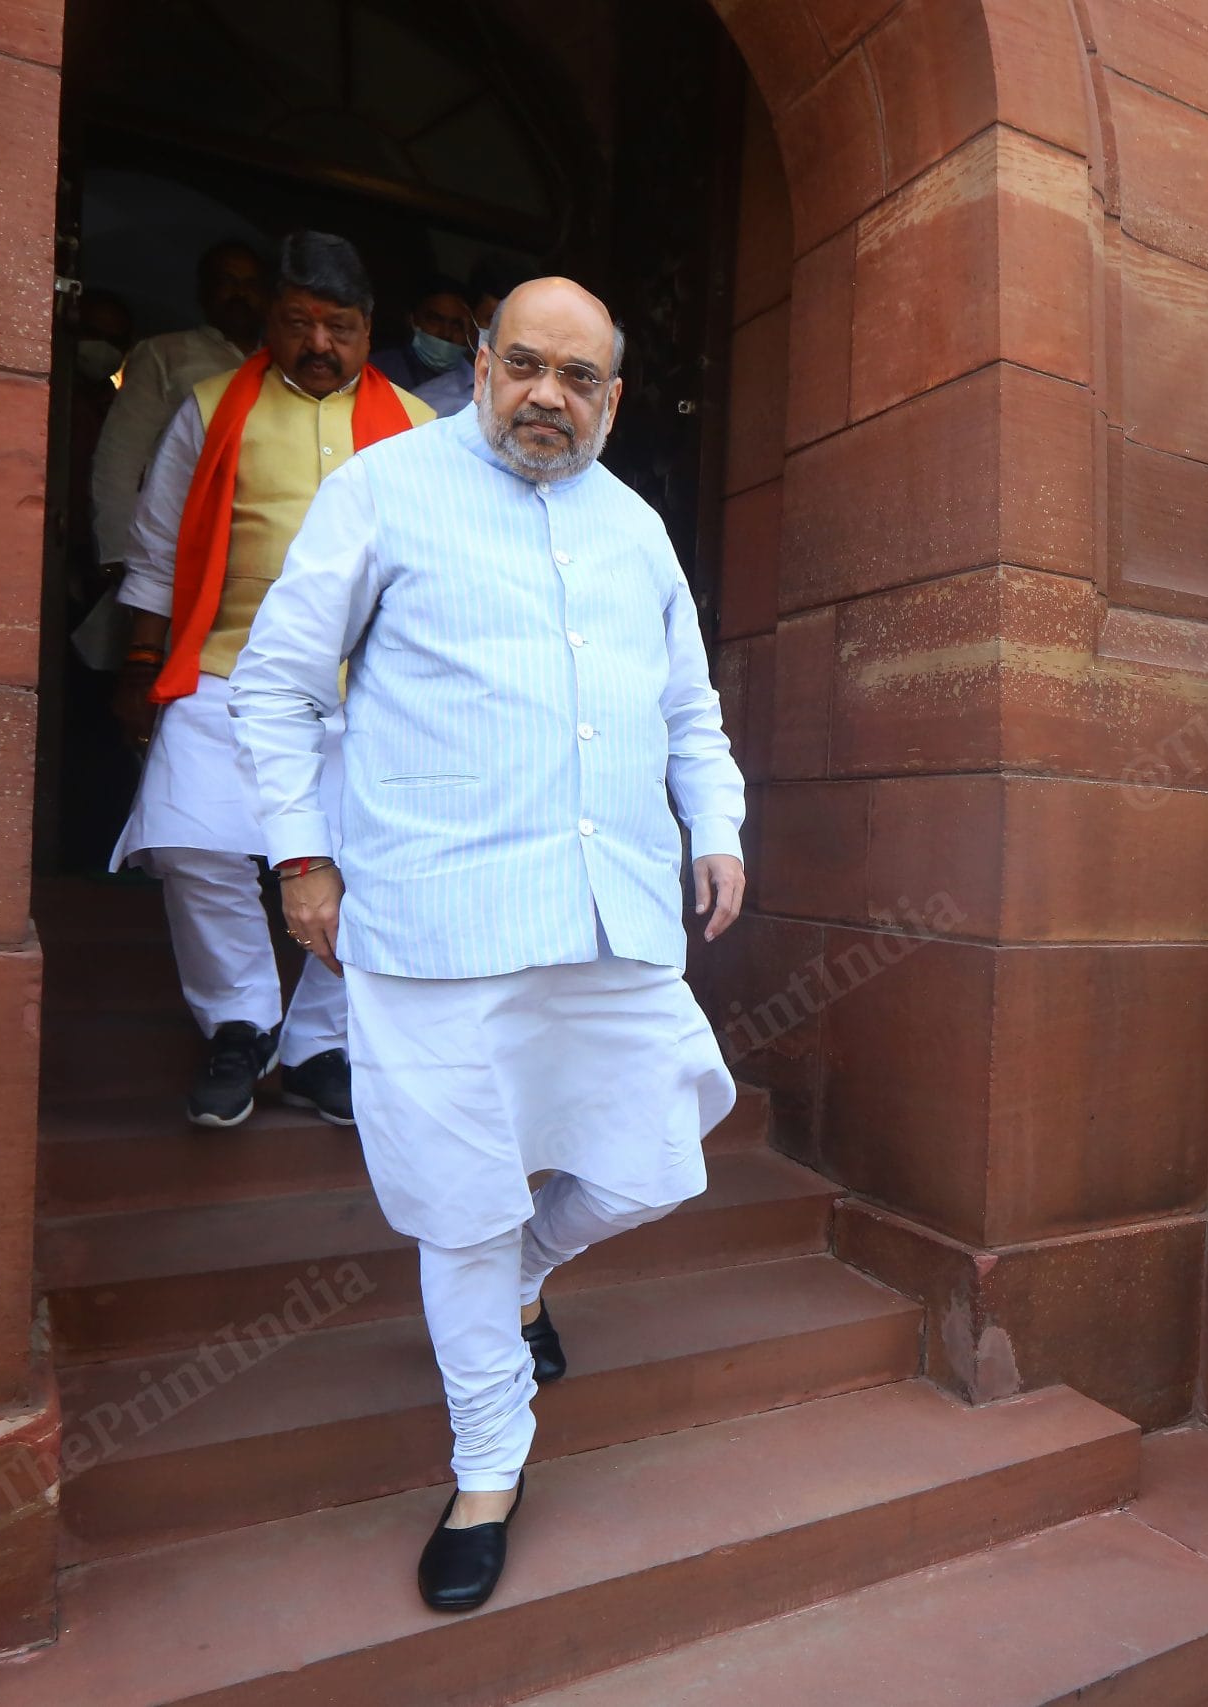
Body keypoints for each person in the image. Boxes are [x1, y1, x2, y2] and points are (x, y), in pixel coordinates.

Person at [229, 276, 746, 1612]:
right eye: (526, 366)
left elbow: (691, 704)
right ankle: (487, 1465)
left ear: (614, 400)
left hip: (609, 908)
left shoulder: (636, 530)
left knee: (663, 1148)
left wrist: (720, 826)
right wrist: (300, 852)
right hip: (436, 921)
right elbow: (279, 686)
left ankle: (530, 1264)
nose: (547, 398)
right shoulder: (387, 487)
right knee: (462, 1209)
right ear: (479, 361)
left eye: (580, 380)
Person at [110, 232, 439, 1128]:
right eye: (299, 323)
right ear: (270, 321)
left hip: (364, 690)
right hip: (227, 672)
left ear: (371, 331)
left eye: (339, 327)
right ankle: (241, 1023)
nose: (319, 345)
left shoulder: (418, 428)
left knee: (368, 864)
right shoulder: (211, 407)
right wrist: (140, 664)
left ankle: (319, 1045)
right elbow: (157, 551)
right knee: (190, 840)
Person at [89, 241, 267, 573]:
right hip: (174, 549)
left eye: (251, 285)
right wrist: (117, 554)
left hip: (257, 556)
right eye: (228, 282)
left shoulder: (281, 367)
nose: (240, 294)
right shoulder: (164, 354)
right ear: (204, 292)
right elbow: (120, 458)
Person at [370, 276, 477, 415]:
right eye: (435, 320)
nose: (446, 333)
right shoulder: (378, 371)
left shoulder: (476, 383)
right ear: (412, 320)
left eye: (457, 325)